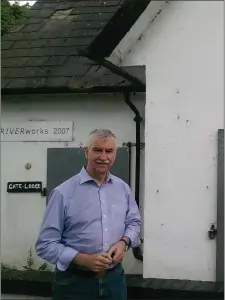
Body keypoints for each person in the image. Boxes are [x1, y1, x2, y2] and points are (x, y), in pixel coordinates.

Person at [35, 129, 141, 300]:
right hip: (74, 283)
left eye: (109, 151)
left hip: (114, 281)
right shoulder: (63, 193)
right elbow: (45, 244)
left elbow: (134, 222)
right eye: (97, 150)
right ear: (86, 151)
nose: (103, 156)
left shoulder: (122, 189)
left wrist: (124, 242)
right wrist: (82, 259)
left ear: (115, 153)